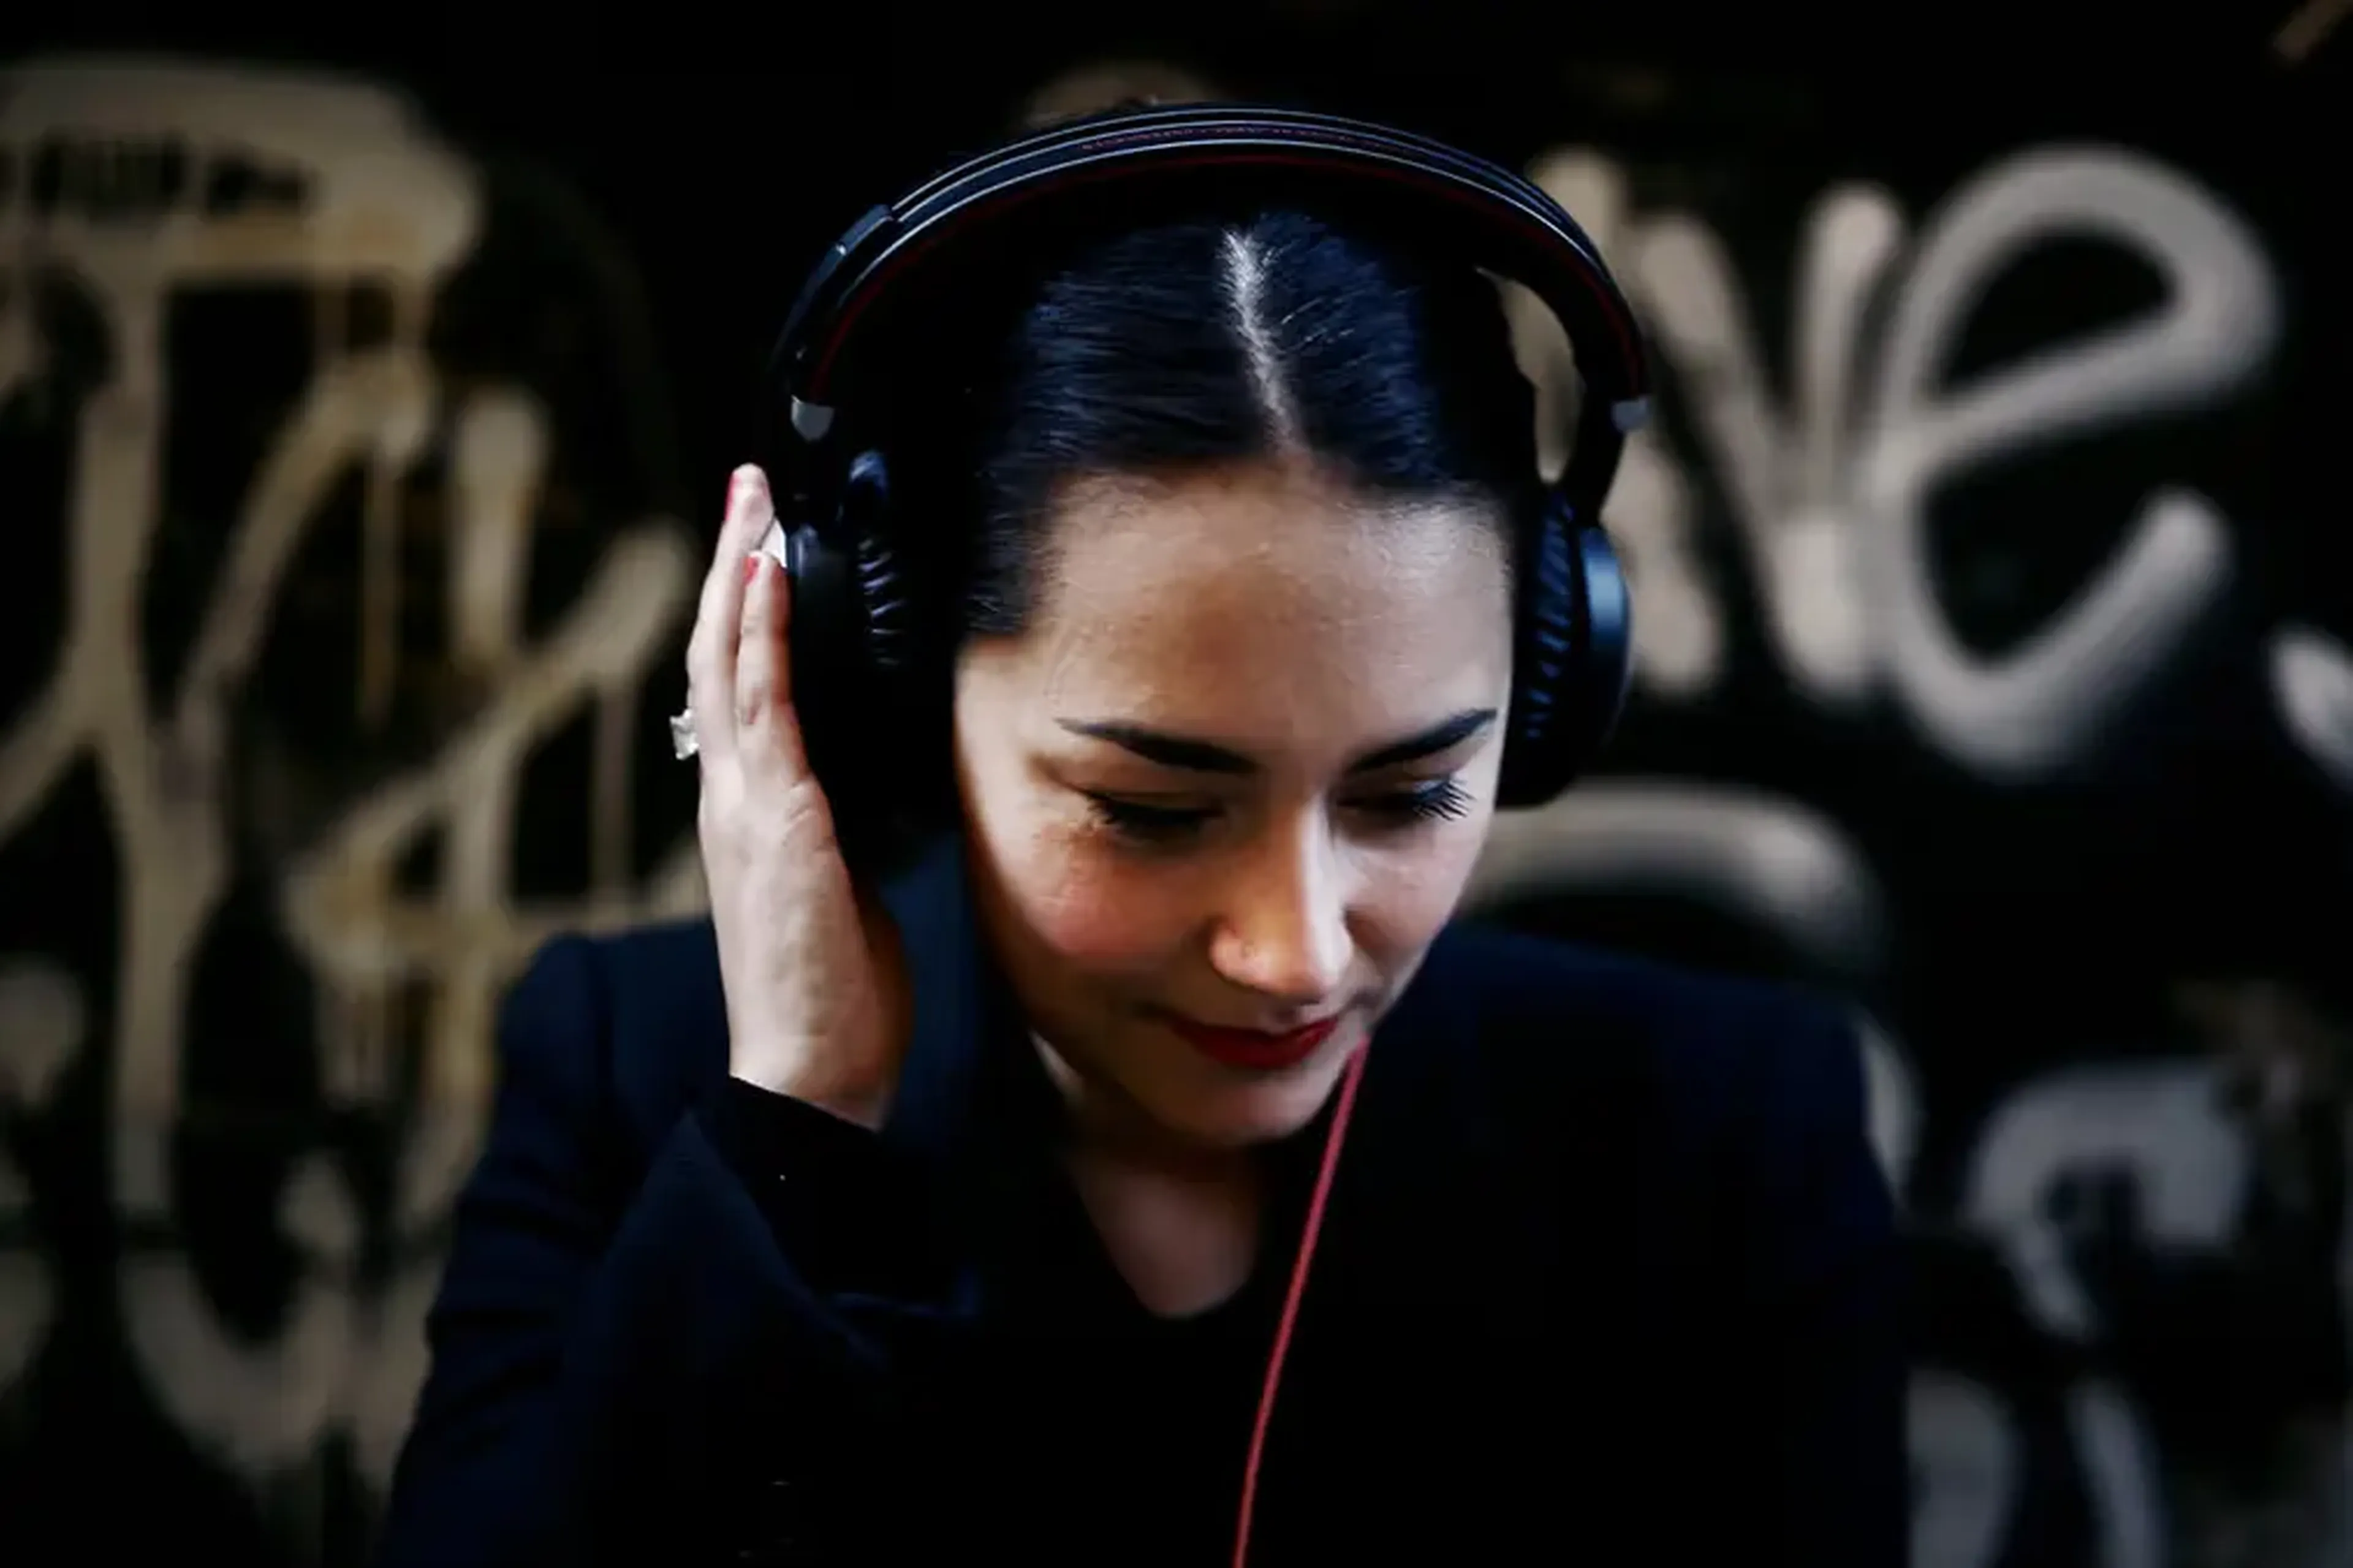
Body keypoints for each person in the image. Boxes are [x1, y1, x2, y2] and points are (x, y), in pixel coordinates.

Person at [375, 115, 1905, 1568]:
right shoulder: (632, 1082)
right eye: (1154, 811)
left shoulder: (1726, 1146)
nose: (1297, 948)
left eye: (1407, 794)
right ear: (887, 703)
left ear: (1550, 683)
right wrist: (794, 1145)